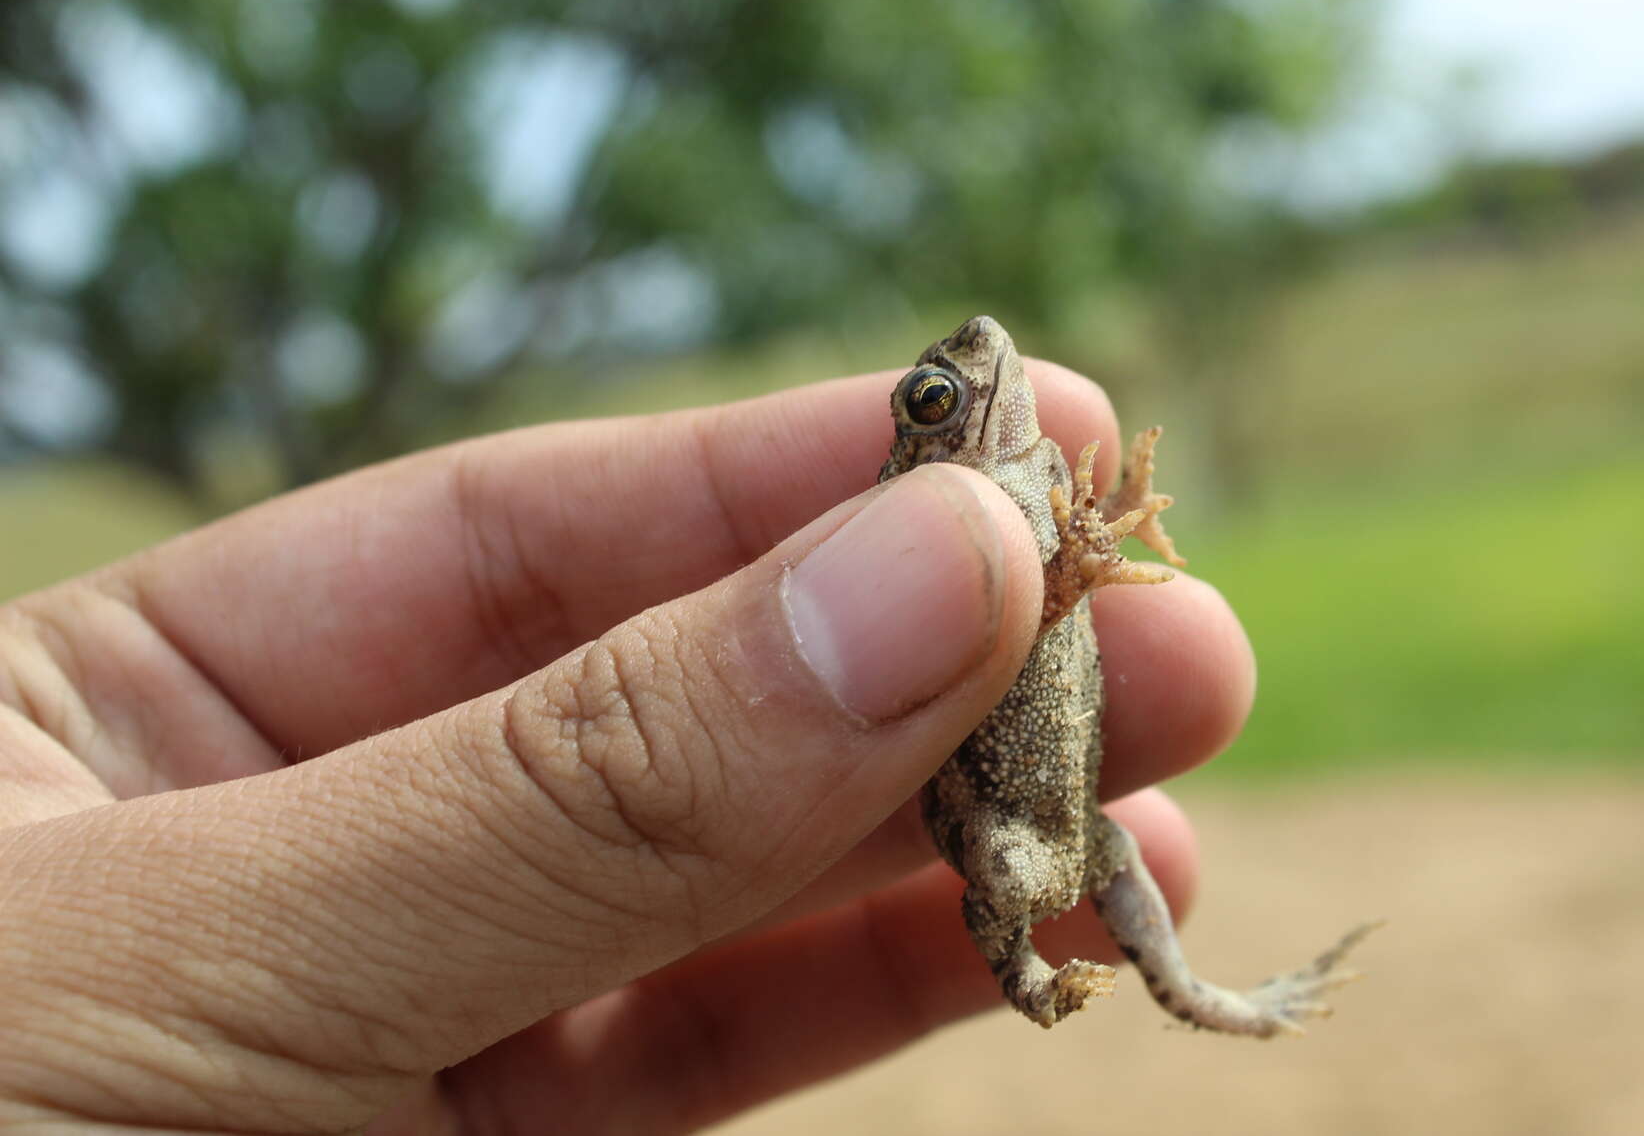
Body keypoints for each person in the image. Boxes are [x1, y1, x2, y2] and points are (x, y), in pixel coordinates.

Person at [0, 359, 1255, 1133]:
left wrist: (1085, 551)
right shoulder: (929, 521)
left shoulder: (1021, 486)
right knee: (1017, 860)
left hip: (1051, 792)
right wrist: (1024, 970)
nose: (981, 381)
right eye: (934, 400)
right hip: (997, 804)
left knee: (1107, 845)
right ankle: (1052, 978)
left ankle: (1183, 985)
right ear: (916, 457)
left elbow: (1064, 587)